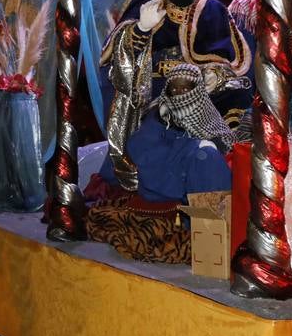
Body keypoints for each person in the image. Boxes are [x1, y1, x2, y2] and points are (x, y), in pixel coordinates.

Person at [99, 0, 252, 191]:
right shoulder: (146, 3)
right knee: (141, 117)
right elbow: (115, 57)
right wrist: (140, 29)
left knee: (237, 101)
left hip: (202, 91)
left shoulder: (213, 10)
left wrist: (214, 75)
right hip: (154, 90)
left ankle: (219, 170)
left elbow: (233, 61)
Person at [88, 63, 233, 263]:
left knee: (208, 159)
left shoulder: (207, 115)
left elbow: (223, 139)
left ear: (197, 90)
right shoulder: (158, 115)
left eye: (186, 89)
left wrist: (202, 147)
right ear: (168, 90)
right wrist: (188, 148)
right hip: (161, 184)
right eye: (175, 89)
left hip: (194, 184)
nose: (180, 94)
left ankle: (211, 244)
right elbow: (141, 147)